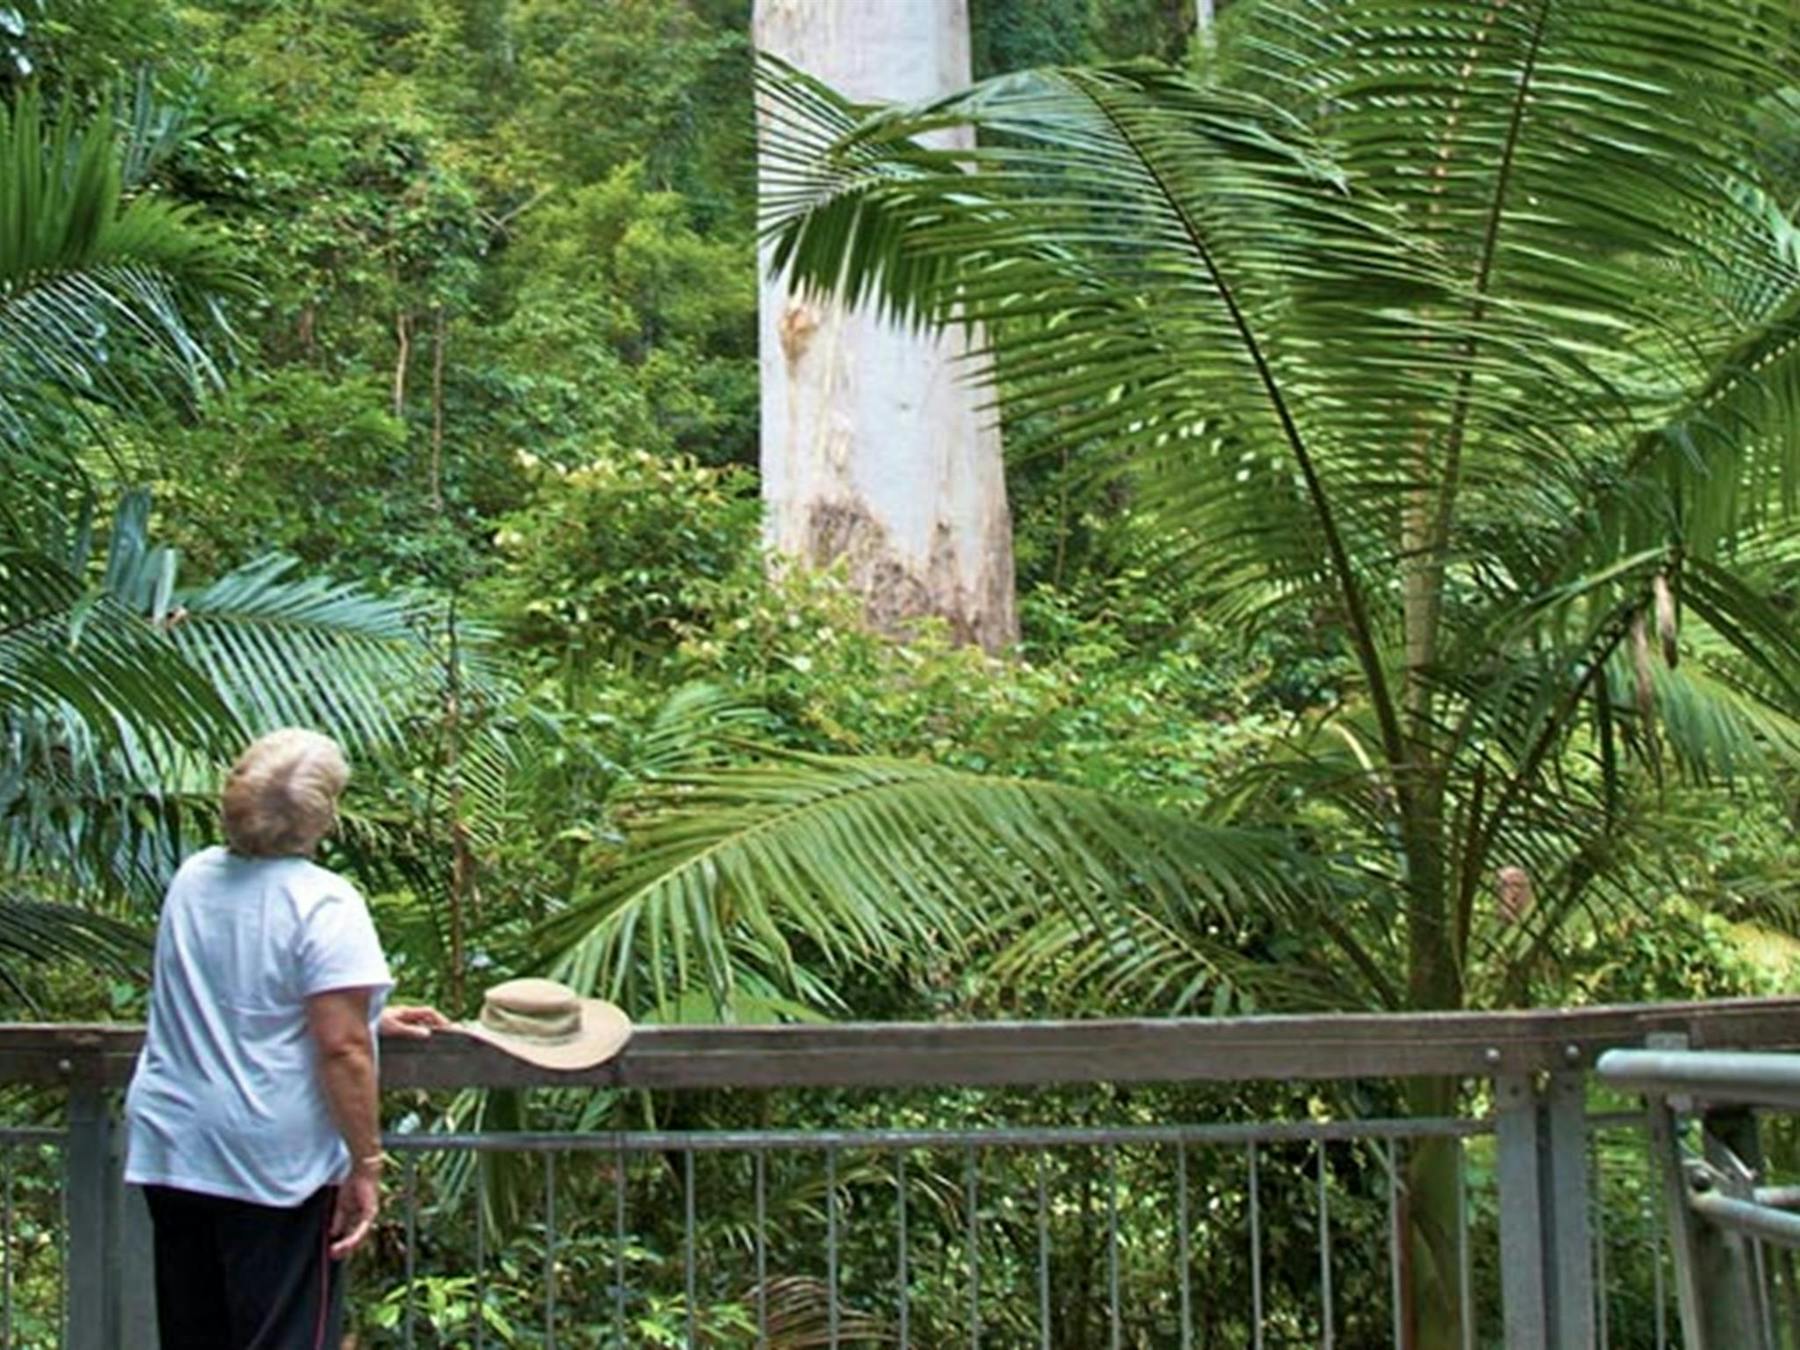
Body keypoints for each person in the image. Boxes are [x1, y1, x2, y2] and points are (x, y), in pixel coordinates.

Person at [124, 728, 448, 1349]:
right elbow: (341, 1049)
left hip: (176, 1145)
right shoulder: (325, 903)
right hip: (272, 1162)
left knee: (198, 1335)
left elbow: (234, 986)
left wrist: (366, 1011)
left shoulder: (193, 880)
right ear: (323, 813)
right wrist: (367, 1164)